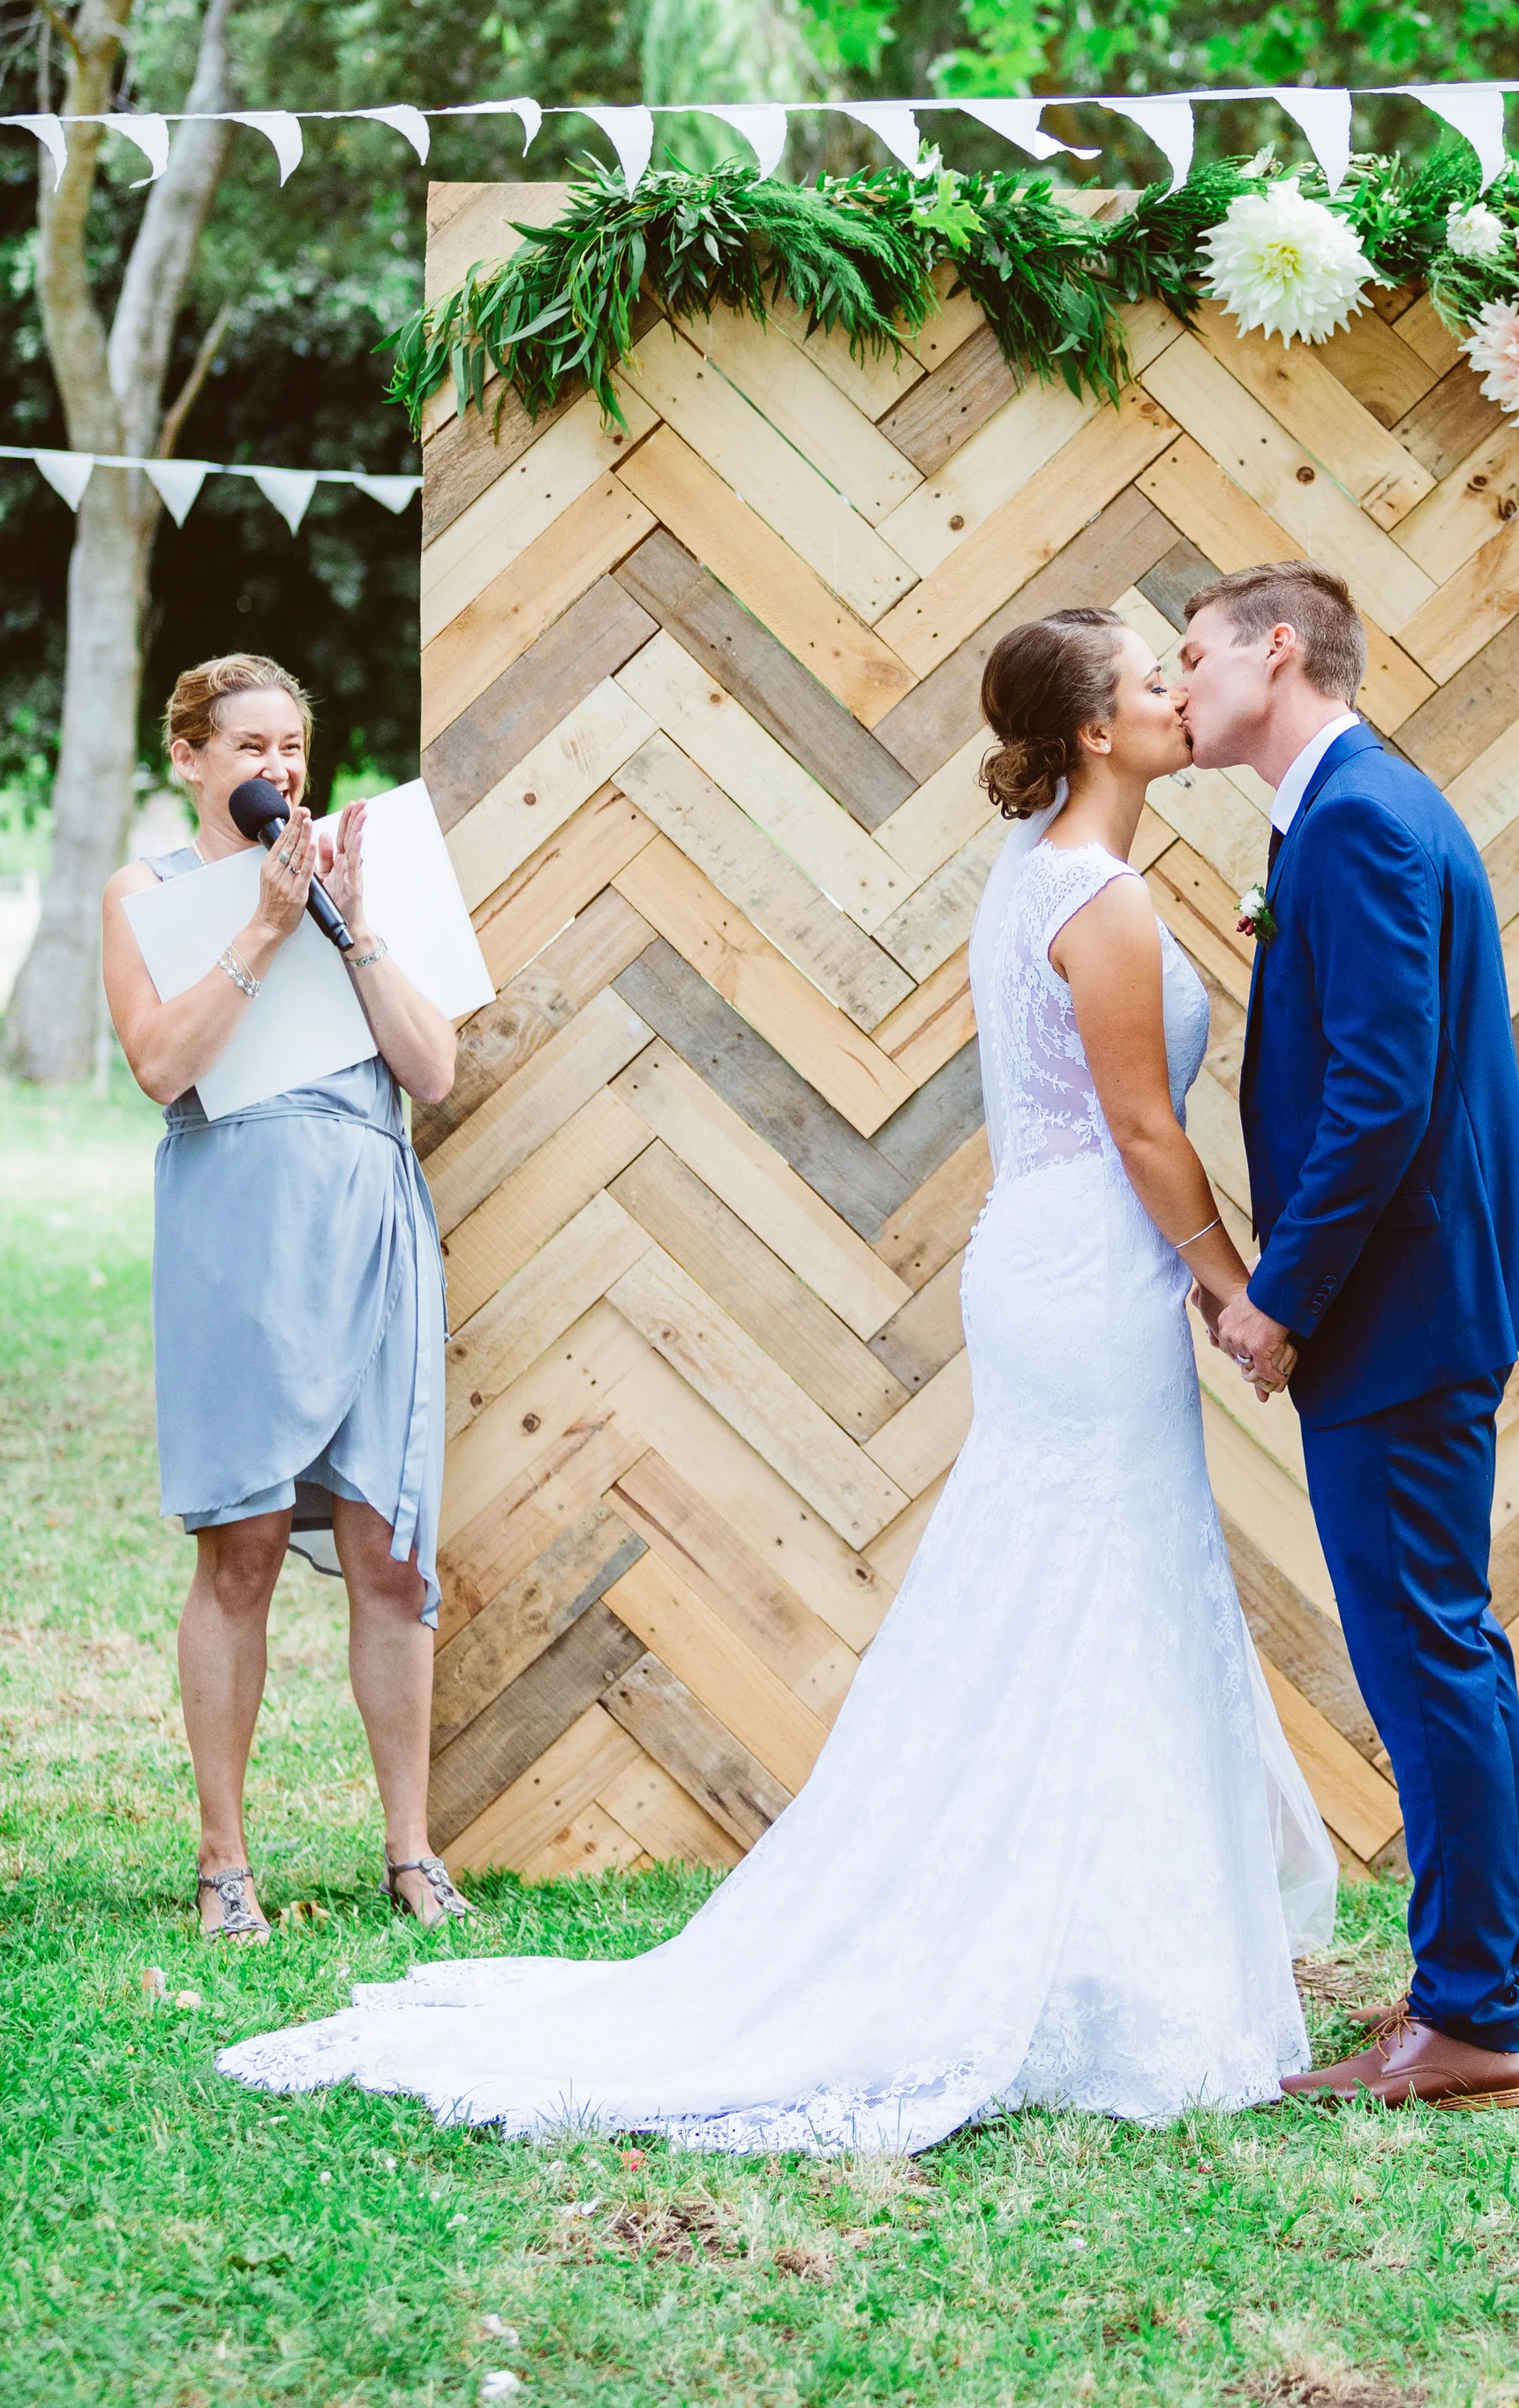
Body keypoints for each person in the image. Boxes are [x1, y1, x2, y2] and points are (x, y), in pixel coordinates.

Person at [214, 608, 1334, 2149]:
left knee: (1065, 1590)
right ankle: (1090, 1951)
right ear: (1092, 731)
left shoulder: (1032, 878)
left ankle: (1091, 1934)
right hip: (1094, 1271)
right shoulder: (1108, 900)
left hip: (1041, 1258)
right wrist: (1242, 1293)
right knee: (1098, 1582)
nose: (1178, 699)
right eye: (1154, 684)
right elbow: (1146, 1132)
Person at [1176, 560, 1519, 2115]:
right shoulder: (1354, 812)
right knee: (1443, 1641)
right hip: (1418, 1295)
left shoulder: (1355, 820)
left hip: (1397, 1305)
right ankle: (1501, 1979)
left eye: (1199, 654)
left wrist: (1279, 1295)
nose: (1184, 682)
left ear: (1281, 652)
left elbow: (1380, 1096)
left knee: (1426, 1651)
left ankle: (1472, 2006)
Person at [103, 656, 460, 1943]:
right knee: (243, 1543)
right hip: (239, 1229)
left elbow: (434, 1066)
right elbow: (158, 1067)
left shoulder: (357, 870)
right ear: (192, 757)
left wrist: (345, 922)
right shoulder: (148, 894)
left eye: (295, 743)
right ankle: (224, 1861)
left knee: (392, 1541)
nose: (280, 767)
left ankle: (410, 1851)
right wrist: (258, 927)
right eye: (251, 743)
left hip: (369, 1219)